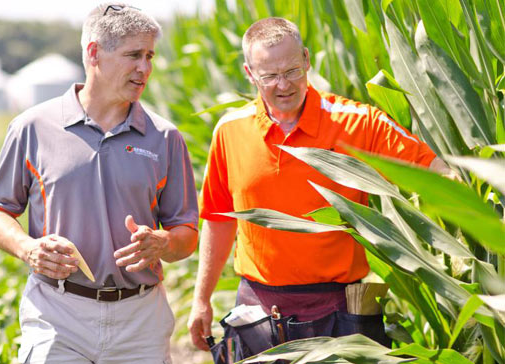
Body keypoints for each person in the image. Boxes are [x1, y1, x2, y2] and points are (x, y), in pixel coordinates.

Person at [187, 17, 453, 356]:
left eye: (293, 71)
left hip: (339, 316)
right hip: (258, 315)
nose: (283, 85)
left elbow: (434, 172)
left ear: (307, 60)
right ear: (249, 73)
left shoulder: (359, 123)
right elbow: (219, 218)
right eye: (269, 76)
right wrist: (201, 299)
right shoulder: (229, 131)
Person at [0, 3, 198, 363]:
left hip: (140, 320)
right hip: (56, 313)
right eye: (133, 55)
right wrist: (26, 248)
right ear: (94, 53)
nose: (144, 68)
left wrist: (163, 242)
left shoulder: (165, 137)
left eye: (149, 56)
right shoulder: (32, 127)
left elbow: (187, 233)